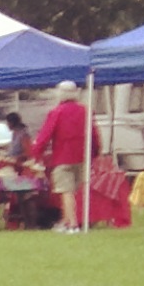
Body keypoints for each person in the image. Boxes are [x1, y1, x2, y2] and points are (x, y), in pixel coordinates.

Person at [29, 83, 91, 232]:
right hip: (82, 156)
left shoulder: (57, 112)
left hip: (63, 157)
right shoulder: (85, 111)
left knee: (66, 191)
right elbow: (93, 134)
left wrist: (36, 154)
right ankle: (66, 221)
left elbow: (45, 135)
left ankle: (73, 224)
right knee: (74, 191)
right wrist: (93, 154)